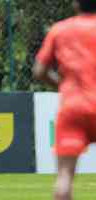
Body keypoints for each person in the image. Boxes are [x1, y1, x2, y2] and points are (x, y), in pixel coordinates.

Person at [33, 1, 96, 199]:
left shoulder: (60, 30)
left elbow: (39, 71)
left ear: (76, 4)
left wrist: (63, 86)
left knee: (65, 175)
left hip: (73, 106)